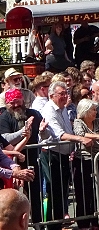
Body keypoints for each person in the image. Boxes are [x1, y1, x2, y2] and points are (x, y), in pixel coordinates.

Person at [41, 82, 90, 230]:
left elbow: (69, 130)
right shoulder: (49, 110)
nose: (65, 96)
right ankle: (52, 226)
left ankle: (58, 222)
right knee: (54, 191)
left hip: (64, 155)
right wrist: (81, 139)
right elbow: (59, 135)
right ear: (51, 96)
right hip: (51, 154)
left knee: (62, 192)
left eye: (66, 93)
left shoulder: (63, 109)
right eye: (61, 94)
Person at [0, 89, 47, 226]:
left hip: (29, 161)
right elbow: (7, 139)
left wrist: (42, 132)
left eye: (18, 101)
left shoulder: (33, 114)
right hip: (8, 172)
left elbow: (7, 151)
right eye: (12, 103)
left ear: (23, 100)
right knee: (10, 202)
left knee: (34, 195)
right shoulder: (4, 118)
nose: (15, 105)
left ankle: (37, 224)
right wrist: (24, 133)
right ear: (7, 103)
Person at [72, 99, 99, 230]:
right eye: (93, 110)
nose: (95, 112)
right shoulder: (78, 122)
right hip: (84, 161)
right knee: (85, 193)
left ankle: (97, 222)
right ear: (85, 111)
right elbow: (80, 134)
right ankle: (84, 224)